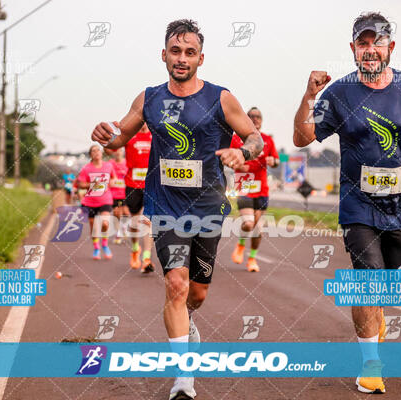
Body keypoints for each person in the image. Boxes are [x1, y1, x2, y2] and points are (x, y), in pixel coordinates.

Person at [91, 19, 263, 400]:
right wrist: (105, 134)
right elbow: (120, 137)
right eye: (175, 51)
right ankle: (183, 378)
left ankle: (188, 322)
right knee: (176, 284)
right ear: (163, 55)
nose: (181, 58)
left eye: (189, 52)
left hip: (209, 208)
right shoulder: (149, 98)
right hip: (166, 207)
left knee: (197, 294)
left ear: (201, 57)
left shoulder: (220, 98)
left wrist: (243, 151)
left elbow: (254, 137)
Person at [293, 12, 401, 394]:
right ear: (353, 49)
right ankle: (371, 365)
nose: (370, 50)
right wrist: (308, 96)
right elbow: (302, 138)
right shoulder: (339, 93)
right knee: (367, 282)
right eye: (362, 44)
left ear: (390, 48)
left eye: (377, 43)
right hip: (357, 205)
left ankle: (377, 318)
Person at [230, 107, 279, 272]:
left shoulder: (267, 140)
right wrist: (236, 164)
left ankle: (252, 259)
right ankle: (241, 245)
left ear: (262, 120)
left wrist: (273, 161)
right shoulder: (236, 140)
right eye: (251, 116)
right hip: (243, 187)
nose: (255, 119)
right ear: (246, 119)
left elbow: (277, 161)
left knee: (258, 228)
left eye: (258, 116)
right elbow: (226, 159)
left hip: (262, 189)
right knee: (248, 223)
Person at [74, 145, 117, 260]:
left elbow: (114, 178)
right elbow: (81, 184)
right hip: (90, 201)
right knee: (94, 228)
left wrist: (111, 183)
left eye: (98, 150)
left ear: (101, 153)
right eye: (94, 151)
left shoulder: (108, 166)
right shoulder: (86, 168)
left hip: (105, 199)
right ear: (91, 155)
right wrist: (93, 184)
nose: (97, 152)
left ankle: (105, 244)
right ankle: (96, 248)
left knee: (105, 224)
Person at [124, 123, 155, 273]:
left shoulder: (155, 136)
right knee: (135, 222)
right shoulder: (131, 137)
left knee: (148, 220)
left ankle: (147, 258)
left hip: (151, 184)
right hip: (132, 184)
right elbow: (111, 148)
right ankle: (135, 249)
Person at [109, 148, 130, 244]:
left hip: (125, 192)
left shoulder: (127, 162)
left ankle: (124, 228)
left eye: (120, 150)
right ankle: (118, 233)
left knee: (125, 212)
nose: (117, 152)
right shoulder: (110, 163)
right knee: (116, 213)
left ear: (122, 152)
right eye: (116, 150)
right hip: (114, 193)